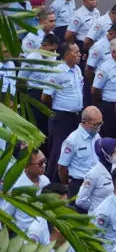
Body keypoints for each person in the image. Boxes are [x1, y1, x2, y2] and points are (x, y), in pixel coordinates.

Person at [42, 43, 84, 179]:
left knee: (71, 150)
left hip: (75, 117)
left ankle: (64, 181)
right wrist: (56, 110)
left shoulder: (77, 69)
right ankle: (51, 182)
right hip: (61, 117)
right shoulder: (57, 72)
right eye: (76, 52)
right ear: (66, 55)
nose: (79, 54)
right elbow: (46, 96)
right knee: (58, 151)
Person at [56, 106, 102, 198]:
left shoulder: (97, 136)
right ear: (84, 122)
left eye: (100, 124)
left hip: (96, 184)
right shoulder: (72, 140)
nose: (98, 127)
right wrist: (68, 185)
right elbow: (62, 167)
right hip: (79, 184)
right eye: (95, 124)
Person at [91, 38, 116, 139]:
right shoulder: (105, 68)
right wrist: (101, 103)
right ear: (113, 53)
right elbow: (95, 90)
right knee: (110, 138)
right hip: (110, 107)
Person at [75, 137, 116, 214]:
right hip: (98, 217)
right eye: (114, 152)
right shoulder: (93, 175)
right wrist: (95, 208)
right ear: (105, 152)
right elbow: (80, 200)